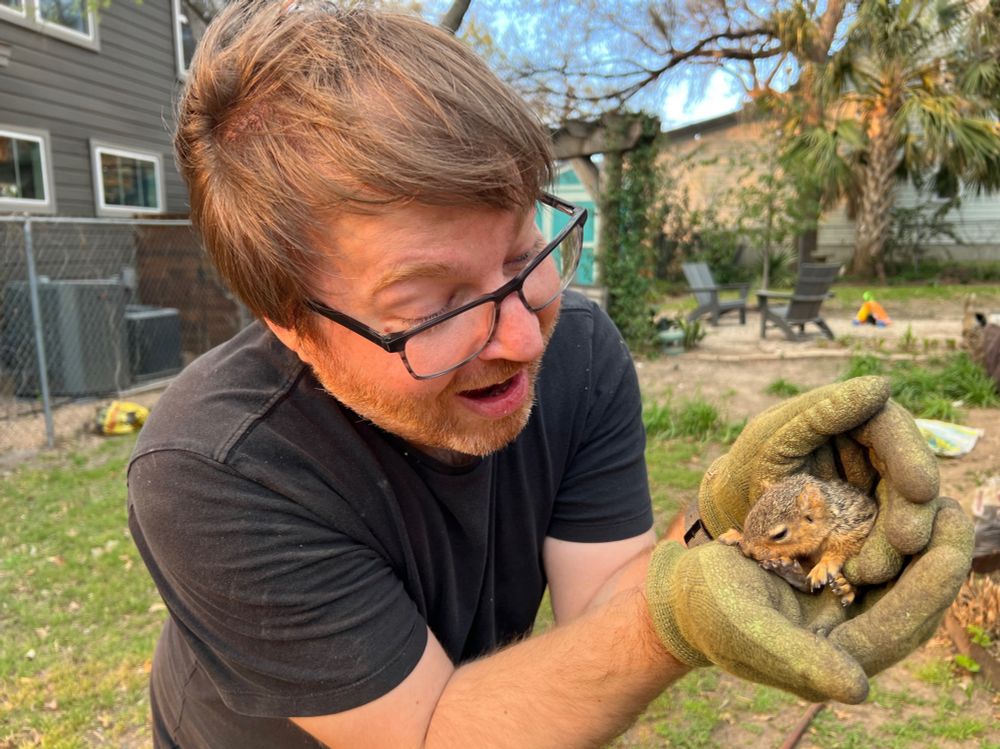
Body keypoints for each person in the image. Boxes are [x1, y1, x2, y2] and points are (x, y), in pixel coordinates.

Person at [127, 2, 973, 747]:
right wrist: (670, 622)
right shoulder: (210, 466)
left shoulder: (579, 350)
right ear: (292, 325)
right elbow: (429, 733)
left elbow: (603, 597)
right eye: (434, 305)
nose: (525, 338)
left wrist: (720, 531)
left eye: (525, 252)